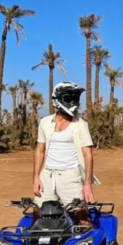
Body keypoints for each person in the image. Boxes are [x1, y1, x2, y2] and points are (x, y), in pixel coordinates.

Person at [33, 82, 99, 210]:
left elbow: (88, 155)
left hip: (71, 177)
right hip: (47, 176)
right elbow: (40, 151)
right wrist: (36, 177)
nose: (73, 103)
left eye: (76, 99)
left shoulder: (80, 124)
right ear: (57, 99)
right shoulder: (45, 123)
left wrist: (87, 184)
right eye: (69, 99)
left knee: (82, 217)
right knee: (38, 215)